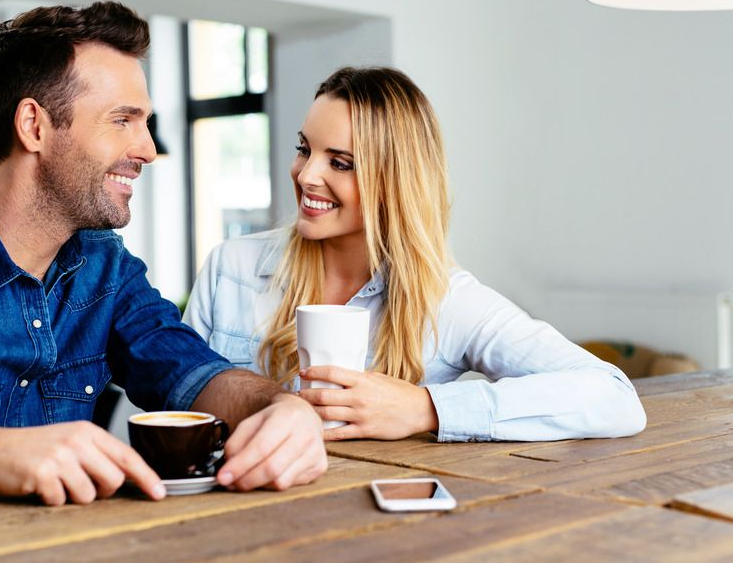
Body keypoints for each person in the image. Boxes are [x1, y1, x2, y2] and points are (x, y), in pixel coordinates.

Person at [0, 1, 327, 505]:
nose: (147, 149)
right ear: (34, 126)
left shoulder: (105, 269)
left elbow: (195, 375)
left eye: (145, 123)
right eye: (123, 120)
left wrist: (282, 407)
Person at [183, 66, 647, 443]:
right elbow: (173, 402)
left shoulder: (447, 301)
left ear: (396, 180)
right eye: (305, 149)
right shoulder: (233, 268)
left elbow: (613, 397)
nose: (306, 175)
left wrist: (425, 409)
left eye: (340, 163)